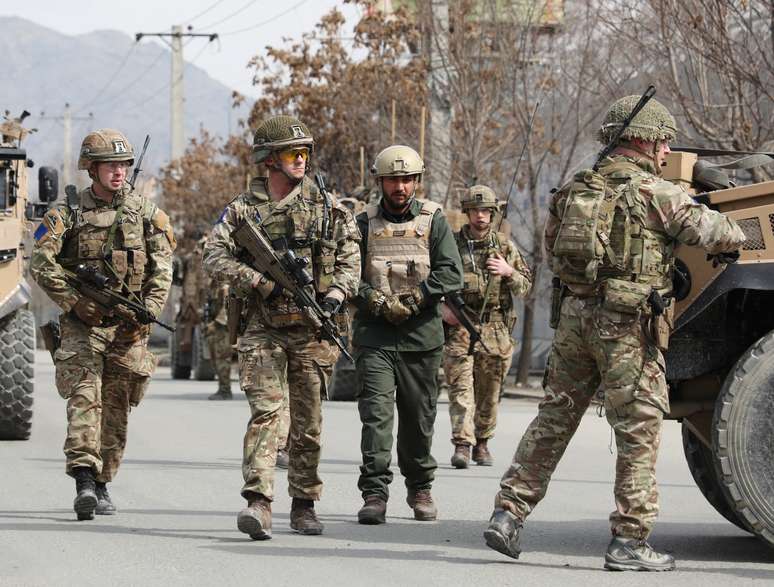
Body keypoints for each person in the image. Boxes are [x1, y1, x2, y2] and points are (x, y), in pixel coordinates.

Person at [483, 95, 746, 571]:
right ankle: (629, 540)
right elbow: (720, 235)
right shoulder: (657, 193)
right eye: (664, 141)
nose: (667, 151)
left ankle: (508, 514)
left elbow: (552, 250)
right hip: (627, 327)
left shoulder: (572, 190)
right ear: (643, 139)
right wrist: (729, 214)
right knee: (639, 428)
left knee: (555, 419)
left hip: (573, 323)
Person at [203, 115, 360, 539]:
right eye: (293, 153)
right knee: (267, 414)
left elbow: (350, 259)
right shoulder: (242, 210)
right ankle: (259, 502)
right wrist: (259, 282)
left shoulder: (330, 208)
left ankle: (304, 504)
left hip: (313, 330)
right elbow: (213, 254)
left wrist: (335, 295)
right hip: (263, 327)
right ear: (270, 160)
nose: (302, 160)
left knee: (308, 424)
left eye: (305, 152)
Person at [30, 129, 175, 520]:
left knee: (116, 409)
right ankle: (83, 480)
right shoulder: (67, 214)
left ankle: (104, 481)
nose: (118, 171)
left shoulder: (147, 213)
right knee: (84, 397)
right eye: (110, 165)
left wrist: (149, 307)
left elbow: (163, 267)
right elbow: (40, 262)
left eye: (124, 164)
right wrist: (74, 302)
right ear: (91, 168)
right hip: (82, 325)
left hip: (127, 329)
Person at [353, 145, 463, 525]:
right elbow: (346, 274)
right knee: (377, 417)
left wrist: (417, 299)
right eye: (392, 179)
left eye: (406, 179)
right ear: (379, 181)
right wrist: (378, 303)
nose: (399, 187)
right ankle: (374, 493)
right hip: (375, 337)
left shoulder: (434, 220)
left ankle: (420, 488)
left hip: (421, 339)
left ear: (417, 180)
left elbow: (451, 273)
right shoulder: (363, 223)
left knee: (419, 417)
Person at [442, 185, 532, 469]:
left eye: (485, 211)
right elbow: (434, 281)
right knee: (460, 387)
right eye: (474, 210)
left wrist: (508, 272)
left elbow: (525, 286)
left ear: (493, 213)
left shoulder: (504, 247)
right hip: (460, 325)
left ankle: (482, 441)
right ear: (466, 212)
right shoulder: (451, 245)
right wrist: (441, 308)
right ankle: (462, 444)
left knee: (490, 390)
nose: (480, 216)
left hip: (495, 328)